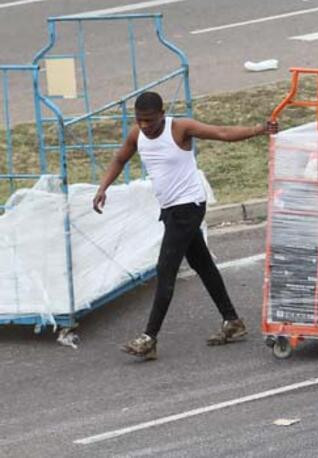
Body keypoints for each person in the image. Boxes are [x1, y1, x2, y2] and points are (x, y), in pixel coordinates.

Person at [93, 91, 277, 360]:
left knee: (165, 269)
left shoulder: (180, 128)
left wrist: (259, 129)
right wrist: (103, 188)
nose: (144, 125)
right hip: (169, 208)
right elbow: (121, 158)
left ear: (162, 113)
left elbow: (223, 133)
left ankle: (149, 338)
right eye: (139, 120)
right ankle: (232, 322)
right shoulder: (137, 134)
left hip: (189, 205)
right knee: (202, 264)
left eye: (149, 120)